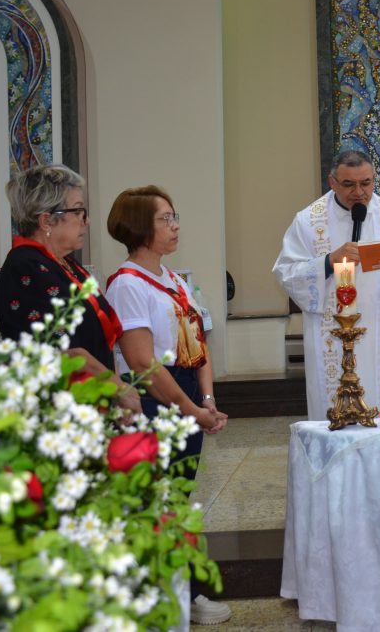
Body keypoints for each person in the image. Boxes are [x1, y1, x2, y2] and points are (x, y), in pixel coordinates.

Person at [104, 185, 231, 626]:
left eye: (175, 217)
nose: (175, 226)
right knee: (157, 502)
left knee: (179, 498)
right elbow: (141, 361)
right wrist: (190, 409)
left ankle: (186, 593)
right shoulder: (127, 284)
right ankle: (163, 597)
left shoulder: (173, 279)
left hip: (188, 393)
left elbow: (199, 342)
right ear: (139, 226)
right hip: (158, 400)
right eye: (165, 219)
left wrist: (208, 400)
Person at [273, 150, 380, 420]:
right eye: (349, 184)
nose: (359, 192)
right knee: (334, 414)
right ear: (332, 182)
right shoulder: (308, 222)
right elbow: (287, 272)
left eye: (366, 183)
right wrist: (328, 262)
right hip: (332, 338)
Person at [0, 164, 141, 417]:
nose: (87, 221)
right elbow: (65, 351)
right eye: (79, 211)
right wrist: (119, 389)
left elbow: (101, 339)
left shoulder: (67, 265)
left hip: (96, 401)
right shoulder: (24, 268)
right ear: (47, 220)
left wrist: (115, 393)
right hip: (59, 411)